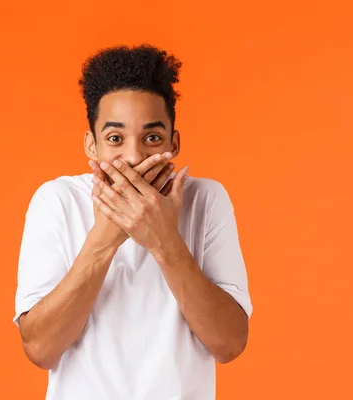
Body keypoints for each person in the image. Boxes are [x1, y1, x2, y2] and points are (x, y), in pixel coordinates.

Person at [13, 44, 253, 400]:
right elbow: (40, 349)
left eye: (152, 138)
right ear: (91, 146)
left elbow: (229, 344)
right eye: (115, 139)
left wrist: (163, 240)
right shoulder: (56, 201)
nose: (134, 156)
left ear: (174, 142)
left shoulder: (205, 200)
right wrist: (106, 236)